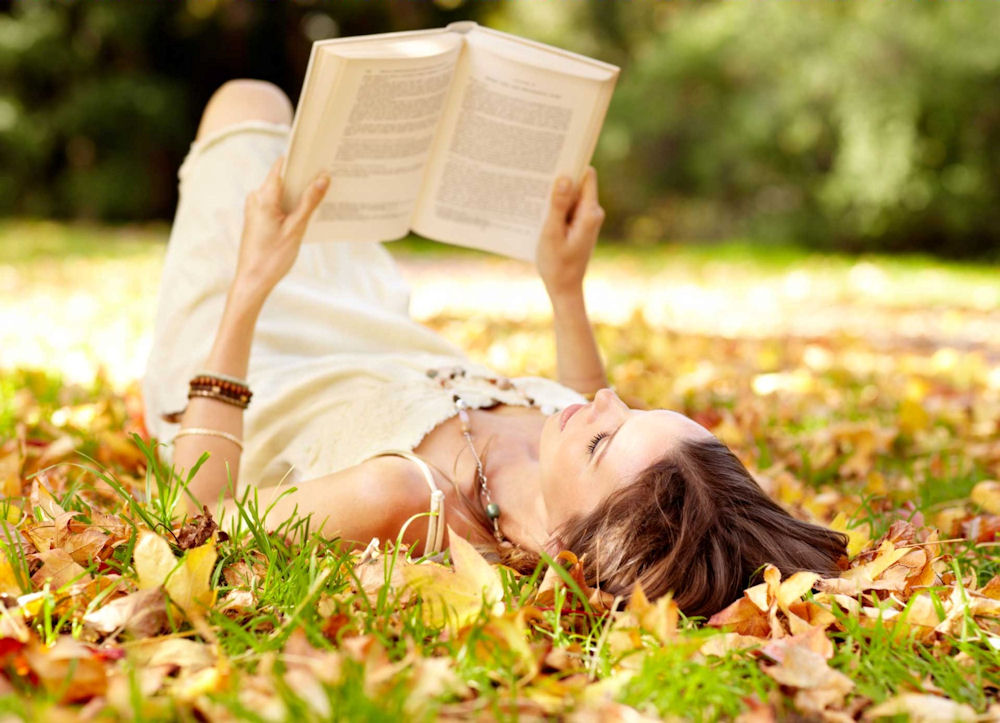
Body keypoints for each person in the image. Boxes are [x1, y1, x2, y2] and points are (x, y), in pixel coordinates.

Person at [144, 80, 846, 618]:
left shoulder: (405, 497)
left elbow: (193, 524)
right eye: (633, 411)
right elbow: (586, 402)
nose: (604, 399)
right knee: (297, 121)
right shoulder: (566, 465)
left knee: (245, 103)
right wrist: (564, 286)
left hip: (249, 347)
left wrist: (250, 280)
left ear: (568, 544)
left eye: (603, 439)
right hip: (371, 319)